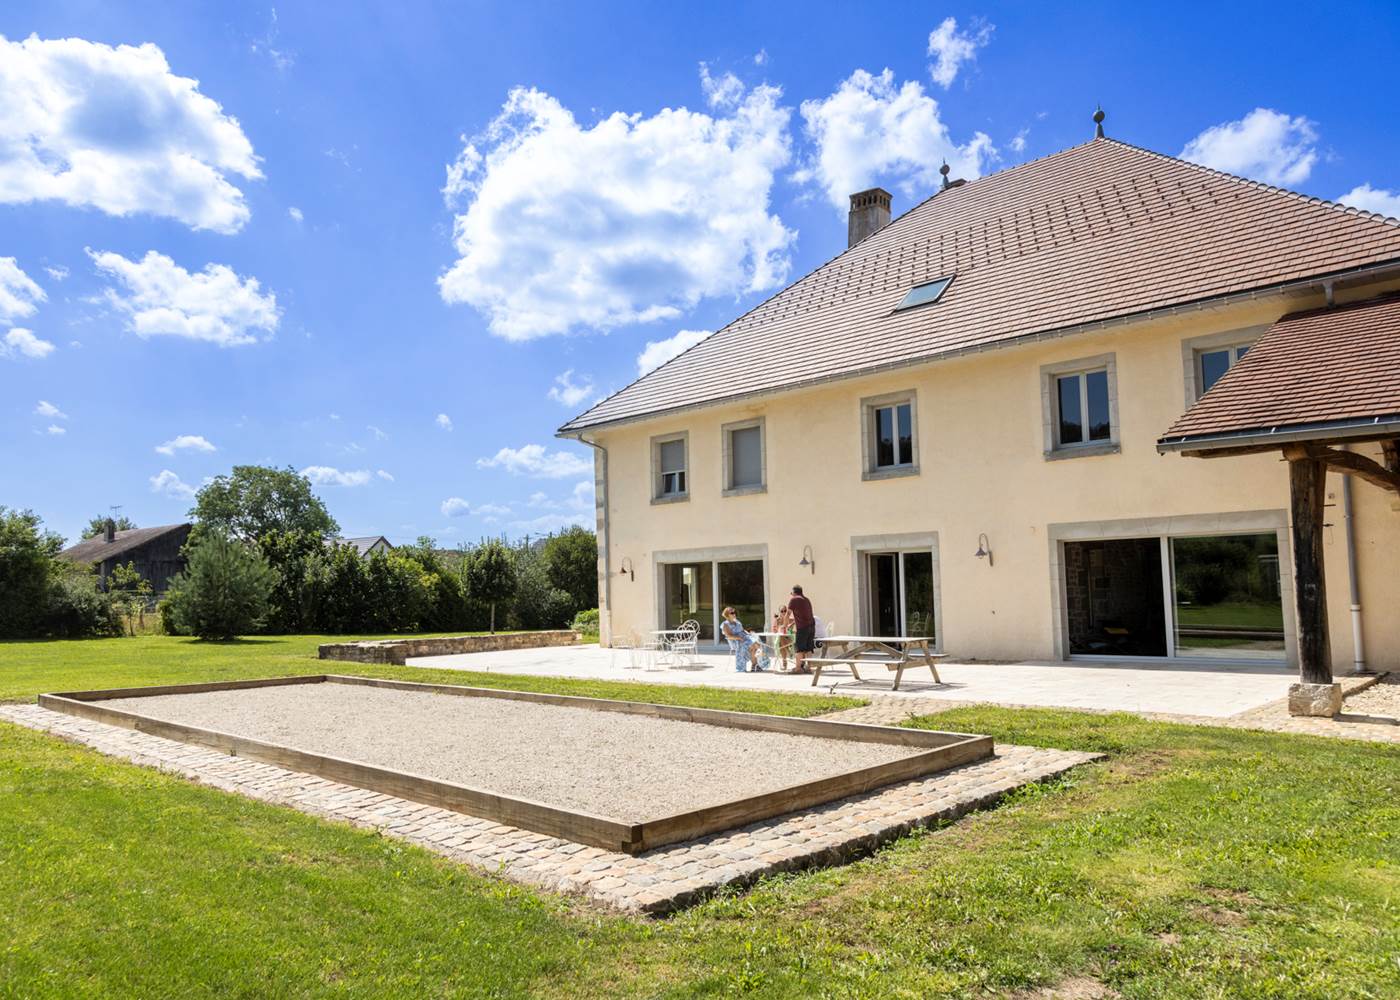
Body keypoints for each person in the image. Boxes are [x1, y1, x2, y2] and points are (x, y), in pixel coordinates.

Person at [720, 606, 769, 672]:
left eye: (734, 612)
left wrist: (748, 633)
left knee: (755, 643)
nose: (734, 614)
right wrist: (739, 638)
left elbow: (742, 630)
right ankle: (756, 663)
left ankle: (755, 664)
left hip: (744, 638)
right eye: (732, 613)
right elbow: (729, 636)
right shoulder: (725, 624)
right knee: (753, 645)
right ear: (727, 615)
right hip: (736, 641)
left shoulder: (737, 622)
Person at [786, 585, 816, 674]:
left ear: (794, 592)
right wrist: (792, 623)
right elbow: (802, 615)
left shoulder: (794, 599)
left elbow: (788, 614)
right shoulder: (806, 599)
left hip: (803, 628)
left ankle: (798, 668)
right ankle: (809, 668)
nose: (791, 595)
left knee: (799, 649)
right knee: (809, 649)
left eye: (791, 593)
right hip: (811, 627)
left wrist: (785, 625)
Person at [770, 605, 794, 671]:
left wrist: (790, 625)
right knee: (781, 640)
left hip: (790, 639)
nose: (783, 612)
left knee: (781, 642)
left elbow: (794, 627)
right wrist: (777, 625)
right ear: (779, 612)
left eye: (785, 611)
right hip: (781, 639)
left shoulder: (791, 619)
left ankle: (784, 663)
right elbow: (774, 631)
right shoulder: (778, 620)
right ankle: (789, 653)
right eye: (782, 611)